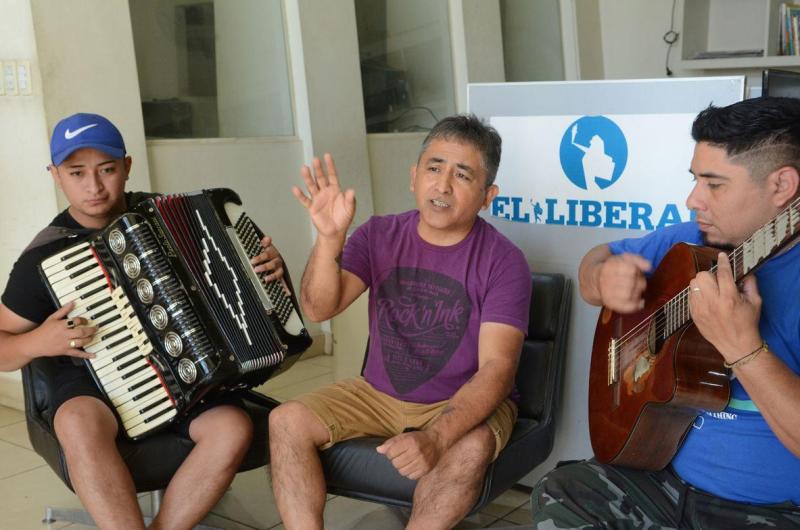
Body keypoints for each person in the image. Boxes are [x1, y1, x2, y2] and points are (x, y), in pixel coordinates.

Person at [0, 112, 284, 530]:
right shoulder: (43, 256)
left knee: (233, 427)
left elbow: (235, 275)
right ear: (56, 175)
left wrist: (268, 272)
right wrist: (39, 341)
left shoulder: (173, 219)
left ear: (127, 167)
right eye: (77, 173)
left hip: (186, 372)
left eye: (107, 170)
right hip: (92, 381)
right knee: (78, 424)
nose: (94, 186)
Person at [531, 97, 800, 528]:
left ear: (782, 186)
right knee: (563, 491)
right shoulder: (692, 241)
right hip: (664, 481)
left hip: (772, 512)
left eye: (714, 185)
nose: (693, 200)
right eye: (695, 180)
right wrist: (602, 277)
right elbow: (593, 264)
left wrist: (743, 347)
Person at [269, 115, 532, 529]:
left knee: (470, 447)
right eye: (434, 167)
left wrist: (438, 437)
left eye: (462, 175)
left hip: (459, 401)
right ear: (414, 176)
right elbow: (320, 308)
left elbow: (498, 369)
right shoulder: (378, 234)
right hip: (376, 393)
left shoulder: (503, 260)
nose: (442, 185)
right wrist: (328, 240)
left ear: (487, 196)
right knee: (285, 421)